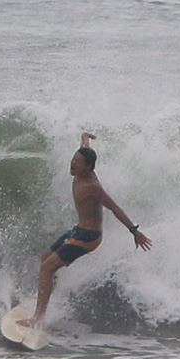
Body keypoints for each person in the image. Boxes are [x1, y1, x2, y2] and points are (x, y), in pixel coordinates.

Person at [18, 132, 152, 327]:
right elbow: (85, 148)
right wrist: (85, 137)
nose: (73, 164)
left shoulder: (92, 186)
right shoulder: (82, 166)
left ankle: (38, 318)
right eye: (73, 160)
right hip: (79, 229)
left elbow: (114, 207)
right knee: (45, 258)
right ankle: (45, 292)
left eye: (78, 162)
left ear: (88, 166)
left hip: (89, 236)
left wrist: (134, 231)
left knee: (47, 268)